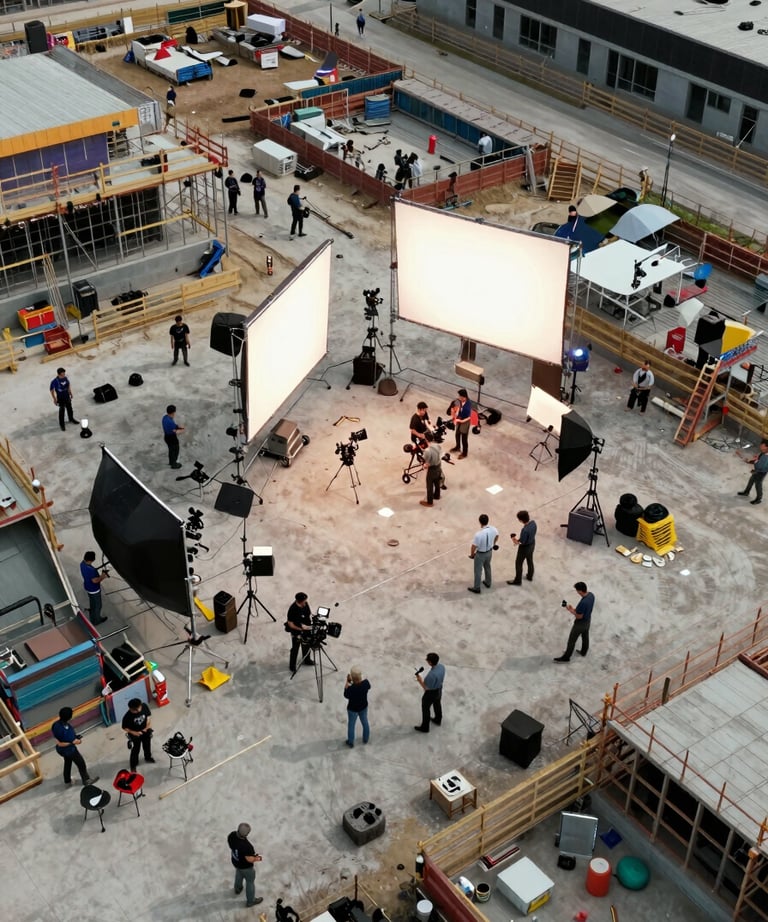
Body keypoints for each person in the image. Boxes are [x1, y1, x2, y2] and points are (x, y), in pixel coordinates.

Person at [51, 706, 98, 786]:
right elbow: (74, 741)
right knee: (81, 763)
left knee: (68, 763)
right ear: (69, 717)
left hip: (61, 750)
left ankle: (67, 780)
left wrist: (74, 737)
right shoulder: (67, 730)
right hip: (70, 750)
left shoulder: (55, 725)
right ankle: (86, 780)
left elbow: (59, 739)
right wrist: (78, 741)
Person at [554, 582, 595, 662]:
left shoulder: (583, 602)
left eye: (577, 590)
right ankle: (584, 651)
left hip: (580, 624)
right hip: (588, 621)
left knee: (571, 641)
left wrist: (571, 610)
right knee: (585, 636)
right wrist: (575, 610)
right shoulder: (591, 595)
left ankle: (566, 657)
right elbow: (584, 610)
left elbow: (579, 616)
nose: (576, 592)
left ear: (580, 591)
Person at [227, 823, 263, 907]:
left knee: (239, 874)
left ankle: (237, 888)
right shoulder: (247, 847)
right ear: (246, 834)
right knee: (250, 882)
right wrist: (258, 858)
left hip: (236, 862)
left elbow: (231, 846)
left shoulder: (231, 835)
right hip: (246, 867)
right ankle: (251, 901)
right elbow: (250, 859)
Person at [414, 652, 445, 733]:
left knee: (426, 709)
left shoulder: (431, 675)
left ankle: (425, 727)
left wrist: (419, 680)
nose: (426, 660)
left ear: (430, 662)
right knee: (437, 704)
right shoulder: (442, 667)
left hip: (431, 693)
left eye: (427, 660)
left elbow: (426, 688)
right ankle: (438, 719)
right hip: (439, 689)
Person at [122, 698, 155, 770]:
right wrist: (134, 733)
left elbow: (148, 716)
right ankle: (133, 764)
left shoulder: (144, 706)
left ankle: (148, 757)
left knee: (147, 745)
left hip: (145, 730)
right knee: (136, 749)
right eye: (136, 709)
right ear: (132, 709)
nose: (139, 710)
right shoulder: (127, 716)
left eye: (139, 707)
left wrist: (147, 726)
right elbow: (124, 727)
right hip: (135, 734)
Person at [468, 513, 498, 593]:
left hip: (480, 554)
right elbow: (497, 535)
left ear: (480, 522)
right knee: (487, 566)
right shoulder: (493, 529)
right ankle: (488, 582)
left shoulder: (479, 534)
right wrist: (494, 543)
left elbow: (473, 546)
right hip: (489, 552)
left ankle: (477, 587)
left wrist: (472, 555)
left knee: (478, 570)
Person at [286, 591, 314, 672]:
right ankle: (292, 666)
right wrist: (301, 628)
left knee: (307, 644)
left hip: (306, 628)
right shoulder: (292, 609)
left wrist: (308, 626)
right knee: (295, 648)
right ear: (299, 601)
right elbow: (290, 624)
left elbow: (309, 614)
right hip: (297, 631)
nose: (305, 602)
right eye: (304, 601)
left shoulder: (305, 604)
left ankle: (307, 660)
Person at [344, 666, 370, 747]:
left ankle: (350, 742)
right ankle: (366, 739)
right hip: (363, 707)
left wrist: (348, 682)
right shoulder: (366, 684)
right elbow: (368, 686)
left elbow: (345, 694)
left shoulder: (351, 689)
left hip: (352, 710)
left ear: (352, 677)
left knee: (351, 725)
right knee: (365, 722)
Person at [508, 510, 537, 585]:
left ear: (521, 520)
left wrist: (513, 538)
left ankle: (518, 580)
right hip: (532, 544)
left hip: (524, 548)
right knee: (530, 560)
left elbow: (520, 542)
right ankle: (530, 576)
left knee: (518, 563)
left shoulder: (525, 530)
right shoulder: (533, 523)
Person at [80, 550, 108, 625]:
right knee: (98, 606)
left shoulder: (82, 564)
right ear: (90, 560)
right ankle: (96, 621)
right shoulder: (91, 570)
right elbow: (95, 581)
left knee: (92, 603)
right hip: (94, 589)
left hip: (88, 587)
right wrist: (102, 576)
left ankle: (92, 614)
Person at [738, 439, 768, 505]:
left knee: (758, 485)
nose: (760, 446)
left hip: (761, 473)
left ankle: (758, 499)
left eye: (762, 446)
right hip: (757, 470)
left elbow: (760, 466)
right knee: (751, 481)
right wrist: (751, 461)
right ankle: (746, 492)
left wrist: (755, 463)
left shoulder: (766, 457)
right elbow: (757, 461)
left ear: (766, 447)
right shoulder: (763, 452)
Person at [50, 367, 78, 432]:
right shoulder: (54, 381)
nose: (64, 375)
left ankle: (71, 419)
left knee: (70, 408)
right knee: (62, 411)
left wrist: (70, 393)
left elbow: (68, 385)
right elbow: (52, 390)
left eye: (64, 373)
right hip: (60, 398)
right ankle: (62, 424)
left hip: (67, 396)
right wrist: (54, 399)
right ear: (59, 374)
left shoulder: (65, 378)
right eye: (62, 374)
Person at [420, 431, 443, 507]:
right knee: (437, 482)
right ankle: (437, 495)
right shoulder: (437, 445)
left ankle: (430, 502)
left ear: (426, 439)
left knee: (429, 486)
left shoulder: (427, 451)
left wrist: (423, 466)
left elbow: (426, 464)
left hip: (432, 469)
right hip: (439, 467)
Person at [451, 388, 472, 458]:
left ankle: (464, 453)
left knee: (464, 438)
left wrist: (460, 421)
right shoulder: (460, 401)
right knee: (457, 434)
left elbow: (469, 417)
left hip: (465, 421)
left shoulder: (468, 406)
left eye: (460, 396)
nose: (459, 397)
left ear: (464, 397)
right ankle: (458, 447)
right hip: (460, 418)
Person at [162, 404, 184, 470]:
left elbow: (174, 426)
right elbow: (176, 431)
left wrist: (178, 427)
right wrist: (182, 429)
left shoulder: (165, 417)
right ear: (172, 413)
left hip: (166, 437)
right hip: (172, 438)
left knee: (171, 450)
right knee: (175, 450)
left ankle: (171, 462)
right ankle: (174, 464)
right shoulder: (170, 422)